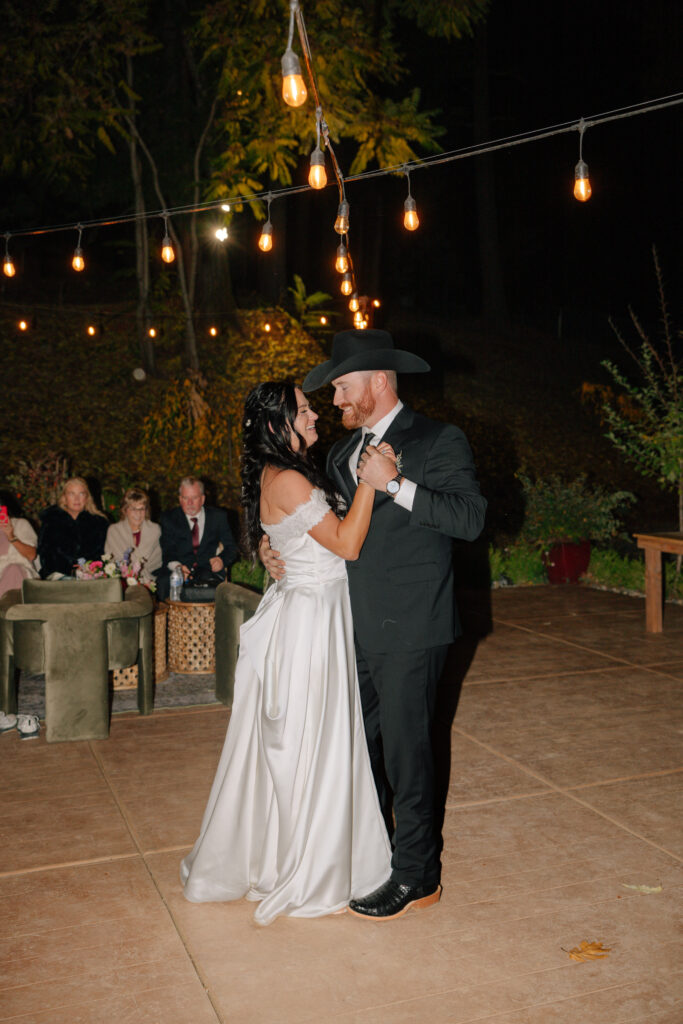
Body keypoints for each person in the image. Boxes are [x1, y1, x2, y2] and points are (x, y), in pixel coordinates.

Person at [262, 328, 487, 921]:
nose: (335, 401)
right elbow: (328, 530)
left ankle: (418, 876)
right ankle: (378, 854)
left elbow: (468, 519)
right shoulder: (337, 456)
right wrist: (275, 550)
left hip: (413, 625)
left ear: (378, 381)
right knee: (359, 749)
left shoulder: (439, 439)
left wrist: (394, 483)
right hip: (348, 628)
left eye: (341, 387)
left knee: (409, 753)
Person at [180, 382, 391, 924]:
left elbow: (293, 539)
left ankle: (287, 855)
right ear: (279, 424)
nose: (315, 412)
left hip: (310, 609)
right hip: (311, 621)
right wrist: (371, 482)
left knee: (305, 742)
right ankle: (309, 867)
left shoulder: (285, 474)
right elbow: (346, 544)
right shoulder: (292, 479)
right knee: (313, 743)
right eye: (303, 409)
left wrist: (276, 550)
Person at [157, 477, 238, 600]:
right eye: (185, 498)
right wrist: (178, 568)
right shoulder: (169, 519)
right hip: (179, 568)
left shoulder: (218, 517)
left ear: (203, 499)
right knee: (164, 583)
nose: (190, 503)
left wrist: (221, 560)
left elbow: (232, 548)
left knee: (214, 589)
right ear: (180, 499)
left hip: (208, 570)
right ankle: (168, 618)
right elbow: (168, 551)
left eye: (194, 498)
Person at [37, 477, 109, 579]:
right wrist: (70, 571)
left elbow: (103, 554)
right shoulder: (51, 520)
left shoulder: (100, 523)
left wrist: (89, 568)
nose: (77, 499)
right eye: (72, 494)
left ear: (87, 497)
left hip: (91, 575)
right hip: (57, 575)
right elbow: (45, 554)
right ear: (64, 497)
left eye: (81, 494)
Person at [105, 488, 162, 584]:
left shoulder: (154, 530)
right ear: (125, 510)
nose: (138, 514)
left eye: (142, 509)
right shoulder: (114, 531)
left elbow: (156, 562)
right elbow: (112, 560)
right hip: (120, 582)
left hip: (150, 580)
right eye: (133, 509)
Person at [0, 490, 39, 597]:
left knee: (13, 570)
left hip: (17, 578)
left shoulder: (20, 524)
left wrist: (11, 536)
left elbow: (31, 555)